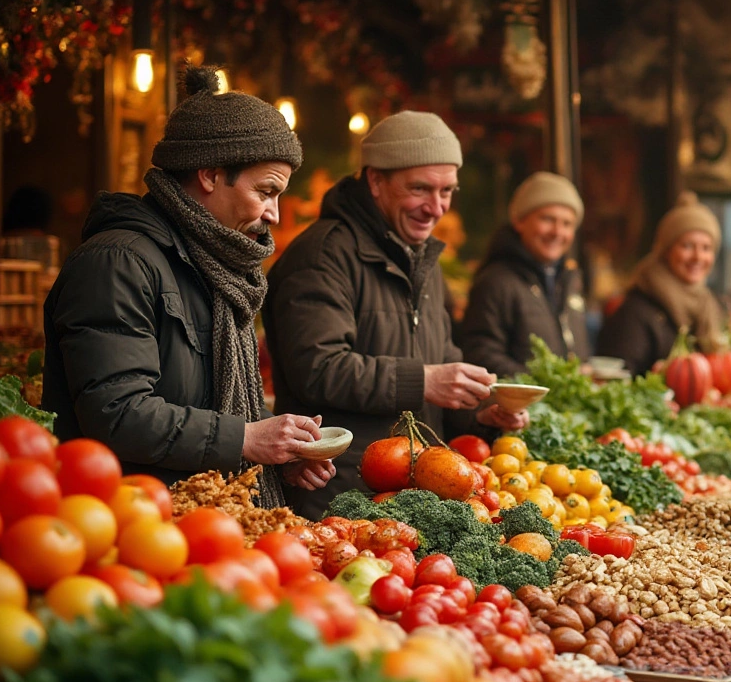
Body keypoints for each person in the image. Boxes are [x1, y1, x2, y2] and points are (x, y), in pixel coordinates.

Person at [42, 65, 332, 508]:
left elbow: (207, 400)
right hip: (128, 521)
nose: (274, 213)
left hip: (202, 521)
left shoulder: (214, 264)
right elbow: (117, 413)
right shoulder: (117, 262)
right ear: (210, 174)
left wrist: (278, 452)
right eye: (266, 191)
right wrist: (247, 438)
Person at [264, 111, 527, 518]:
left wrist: (482, 415)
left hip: (413, 497)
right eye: (420, 188)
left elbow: (440, 371)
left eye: (447, 191)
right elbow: (317, 369)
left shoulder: (425, 261)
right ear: (375, 181)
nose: (436, 208)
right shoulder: (321, 255)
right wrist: (423, 381)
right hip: (338, 498)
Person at [458, 171, 591, 376]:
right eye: (548, 219)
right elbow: (480, 354)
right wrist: (540, 389)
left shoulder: (570, 280)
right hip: (522, 407)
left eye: (567, 224)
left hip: (559, 407)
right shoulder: (495, 282)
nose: (557, 232)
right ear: (519, 221)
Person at [596, 192, 728, 376]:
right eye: (687, 246)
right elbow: (615, 380)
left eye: (706, 248)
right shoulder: (635, 312)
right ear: (666, 251)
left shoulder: (711, 304)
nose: (698, 257)